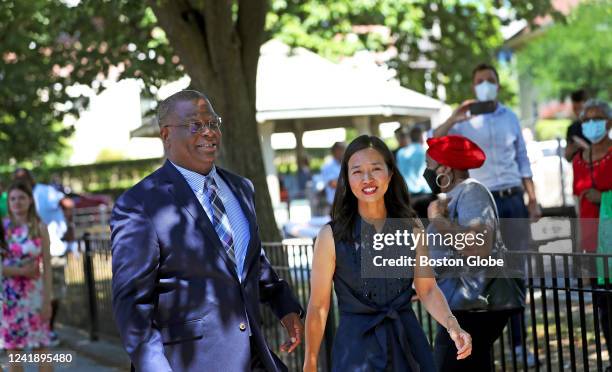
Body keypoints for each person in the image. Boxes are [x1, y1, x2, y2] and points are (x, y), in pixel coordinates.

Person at [110, 90, 304, 372]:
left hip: (255, 357)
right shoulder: (139, 204)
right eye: (195, 125)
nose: (209, 132)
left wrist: (285, 307)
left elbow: (251, 262)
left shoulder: (241, 188)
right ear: (166, 135)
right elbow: (132, 307)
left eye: (213, 123)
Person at [304, 135, 472, 372]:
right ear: (347, 179)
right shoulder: (329, 236)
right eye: (357, 171)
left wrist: (452, 325)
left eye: (375, 169)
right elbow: (319, 306)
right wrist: (309, 363)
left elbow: (428, 289)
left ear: (390, 174)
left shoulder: (412, 227)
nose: (367, 178)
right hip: (355, 350)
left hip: (408, 345)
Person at [434, 63, 540, 363]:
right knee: (478, 269)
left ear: (498, 84)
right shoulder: (462, 121)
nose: (486, 85)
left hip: (511, 199)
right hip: (476, 200)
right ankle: (479, 337)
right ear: (472, 87)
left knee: (513, 273)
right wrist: (455, 115)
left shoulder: (510, 117)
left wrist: (532, 200)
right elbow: (433, 143)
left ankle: (519, 343)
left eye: (490, 80)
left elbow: (522, 159)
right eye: (480, 81)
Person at [423, 135, 525, 371]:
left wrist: (438, 220)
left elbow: (478, 247)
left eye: (428, 165)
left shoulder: (472, 192)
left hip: (475, 304)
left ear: (445, 167)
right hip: (462, 303)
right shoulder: (454, 196)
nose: (426, 172)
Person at [12, 168, 74, 346]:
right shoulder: (17, 198)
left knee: (54, 292)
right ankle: (30, 330)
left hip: (53, 250)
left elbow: (68, 203)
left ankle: (49, 329)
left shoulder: (45, 191)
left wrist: (70, 226)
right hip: (27, 256)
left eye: (24, 179)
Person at [572, 100, 612, 361]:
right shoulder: (578, 161)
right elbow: (578, 203)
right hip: (592, 242)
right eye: (586, 119)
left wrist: (605, 197)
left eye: (597, 118)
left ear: (608, 123)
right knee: (603, 306)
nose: (591, 124)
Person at [2, 182, 53, 372]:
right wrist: (21, 272)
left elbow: (47, 267)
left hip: (35, 297)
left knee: (43, 353)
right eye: (13, 198)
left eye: (21, 198)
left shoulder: (40, 227)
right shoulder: (3, 228)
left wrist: (47, 301)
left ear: (30, 200)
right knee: (14, 358)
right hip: (9, 300)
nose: (17, 202)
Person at [396, 126, 433, 218]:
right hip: (426, 195)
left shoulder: (400, 153)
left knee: (417, 227)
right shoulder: (425, 152)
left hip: (409, 196)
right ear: (421, 137)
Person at [565, 89, 590, 162]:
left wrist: (584, 146)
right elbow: (568, 158)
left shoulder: (597, 127)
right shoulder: (572, 128)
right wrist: (571, 150)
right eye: (575, 108)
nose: (577, 112)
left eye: (580, 108)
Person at [320, 142, 346, 209]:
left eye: (343, 149)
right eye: (340, 149)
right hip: (335, 204)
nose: (343, 152)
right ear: (334, 151)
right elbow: (333, 184)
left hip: (348, 203)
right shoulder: (327, 166)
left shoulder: (347, 164)